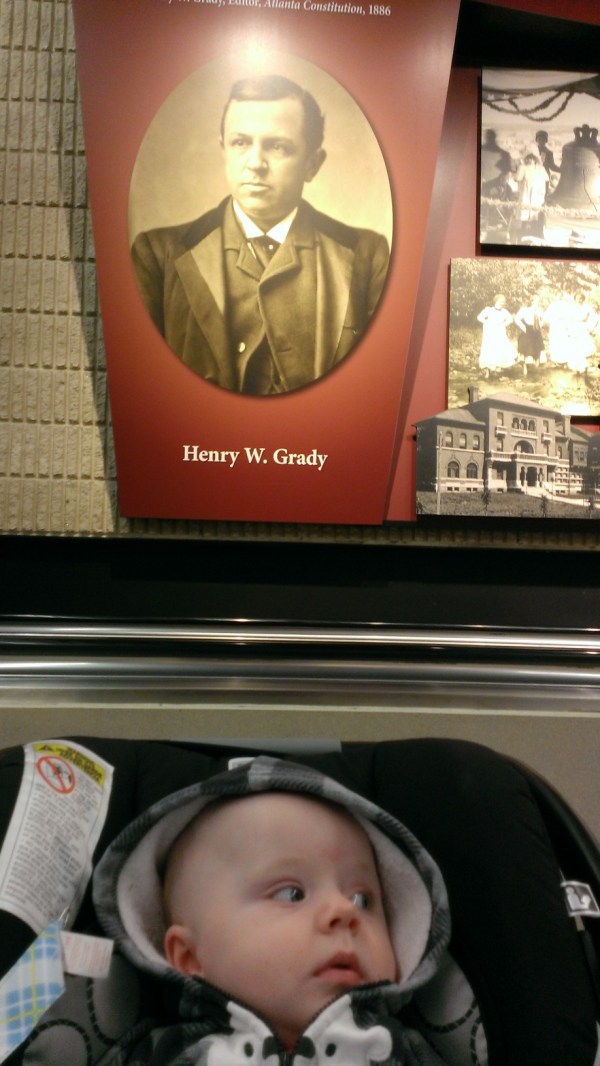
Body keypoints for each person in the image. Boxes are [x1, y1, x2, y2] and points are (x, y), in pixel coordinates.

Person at [93, 755, 455, 1065]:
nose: (344, 911)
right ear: (189, 958)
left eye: (363, 899)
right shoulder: (162, 1055)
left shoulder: (406, 1053)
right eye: (291, 893)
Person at [130, 75, 390, 395]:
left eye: (277, 146)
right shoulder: (158, 256)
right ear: (223, 150)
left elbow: (375, 389)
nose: (255, 164)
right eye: (241, 142)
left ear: (312, 164)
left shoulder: (366, 255)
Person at [477, 294, 516, 376]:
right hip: (490, 332)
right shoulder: (489, 310)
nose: (502, 303)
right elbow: (479, 317)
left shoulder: (504, 311)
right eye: (501, 301)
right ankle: (487, 369)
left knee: (499, 348)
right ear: (496, 301)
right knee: (489, 348)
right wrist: (487, 322)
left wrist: (504, 324)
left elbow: (510, 319)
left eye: (503, 302)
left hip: (500, 332)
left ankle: (497, 368)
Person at [514, 295, 545, 366]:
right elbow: (517, 318)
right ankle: (526, 361)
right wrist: (523, 326)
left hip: (536, 331)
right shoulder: (525, 309)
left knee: (537, 347)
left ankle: (536, 362)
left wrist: (540, 325)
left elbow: (544, 318)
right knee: (527, 347)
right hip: (527, 330)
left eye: (538, 302)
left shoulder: (539, 310)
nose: (537, 303)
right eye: (535, 301)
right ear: (531, 302)